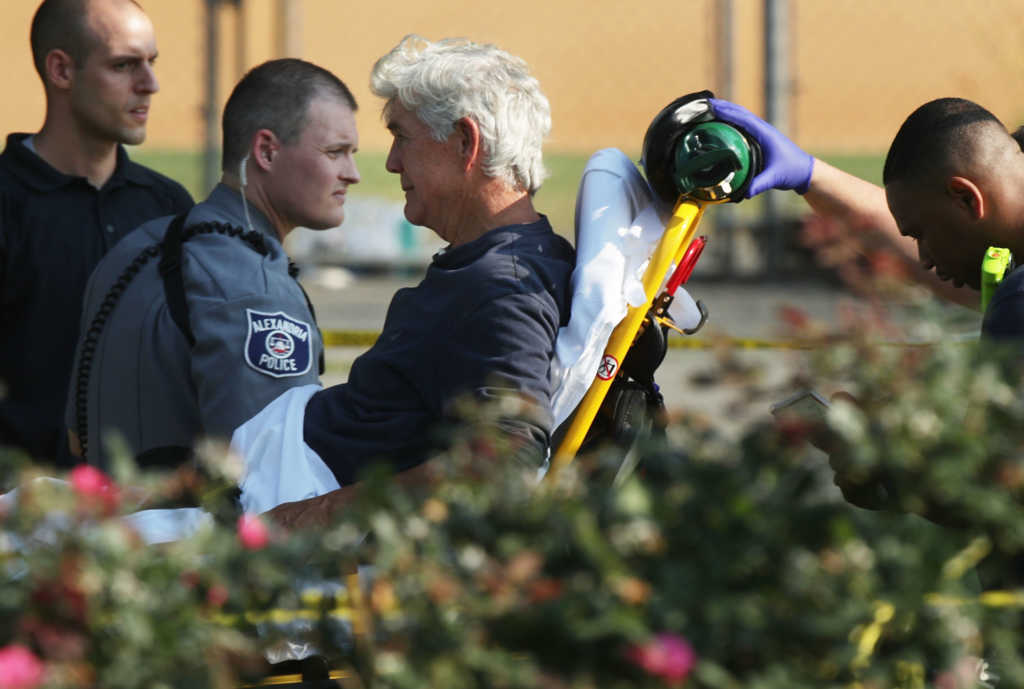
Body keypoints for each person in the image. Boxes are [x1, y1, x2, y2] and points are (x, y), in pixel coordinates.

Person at [230, 35, 575, 519]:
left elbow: (505, 458)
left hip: (274, 494)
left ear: (464, 142)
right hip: (268, 467)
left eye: (402, 137)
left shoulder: (504, 286)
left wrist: (314, 514)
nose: (392, 162)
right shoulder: (519, 258)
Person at [67, 58, 360, 468]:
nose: (353, 173)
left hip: (107, 523)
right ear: (267, 151)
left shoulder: (133, 248)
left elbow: (77, 438)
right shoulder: (256, 287)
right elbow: (272, 474)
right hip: (197, 529)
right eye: (336, 152)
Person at [0, 0, 193, 466]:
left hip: (157, 510)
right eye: (124, 65)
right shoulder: (8, 201)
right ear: (61, 70)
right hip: (25, 513)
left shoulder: (170, 208)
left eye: (152, 62)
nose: (150, 85)